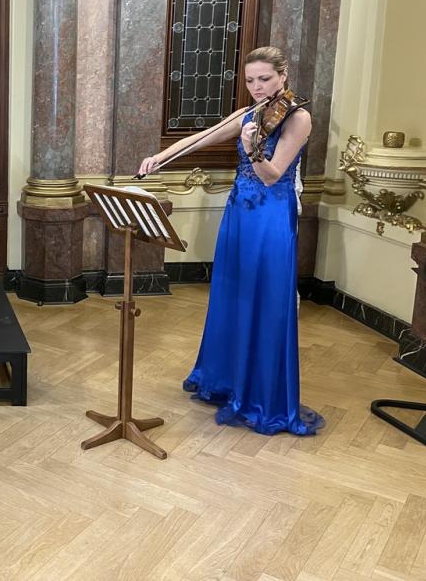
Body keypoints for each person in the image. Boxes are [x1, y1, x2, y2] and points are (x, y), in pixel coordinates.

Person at [138, 46, 324, 436]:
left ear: (283, 76)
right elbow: (200, 138)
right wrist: (159, 156)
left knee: (264, 298)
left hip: (271, 217)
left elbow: (272, 175)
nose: (258, 87)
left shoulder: (298, 117)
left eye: (265, 79)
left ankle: (261, 396)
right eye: (251, 80)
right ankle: (227, 380)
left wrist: (252, 146)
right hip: (239, 212)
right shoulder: (249, 114)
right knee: (232, 294)